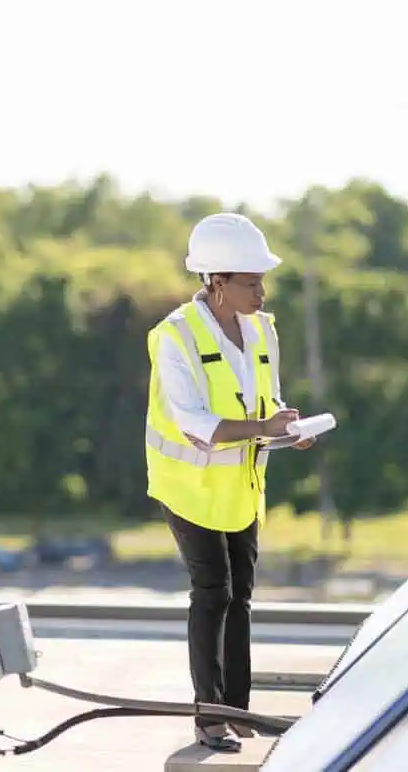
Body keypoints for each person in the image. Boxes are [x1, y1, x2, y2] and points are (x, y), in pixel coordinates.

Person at [144, 212, 316, 752]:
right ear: (216, 281)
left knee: (240, 594)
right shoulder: (174, 337)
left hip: (241, 486)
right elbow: (192, 421)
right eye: (250, 282)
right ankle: (209, 716)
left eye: (262, 280)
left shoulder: (263, 330)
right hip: (189, 488)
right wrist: (262, 427)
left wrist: (287, 428)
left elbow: (267, 402)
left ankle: (237, 710)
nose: (261, 291)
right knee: (212, 592)